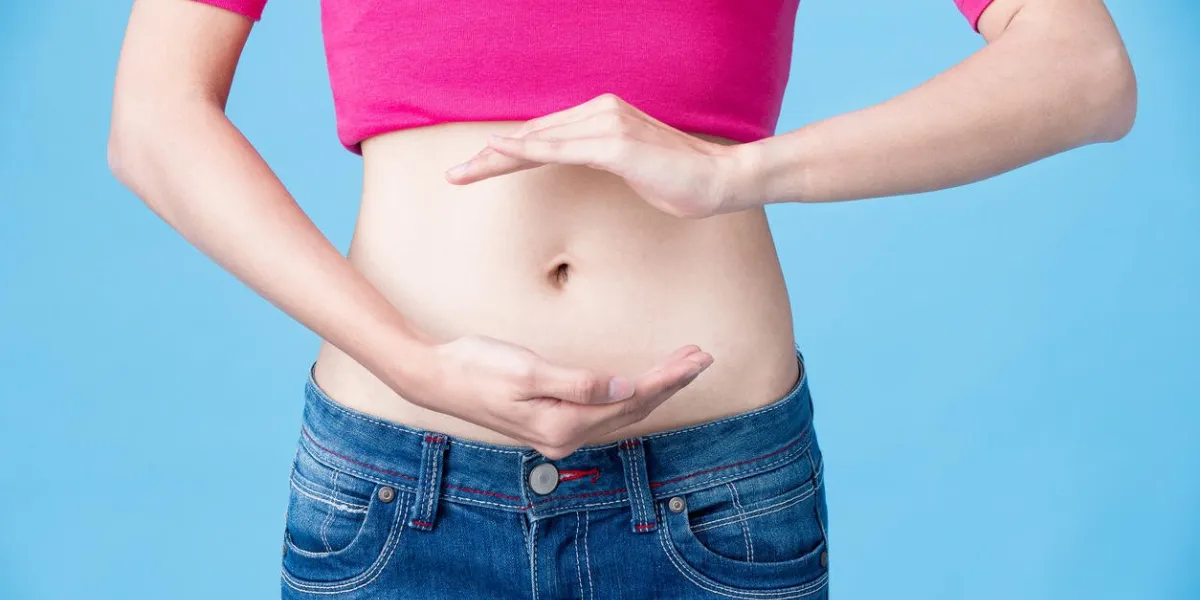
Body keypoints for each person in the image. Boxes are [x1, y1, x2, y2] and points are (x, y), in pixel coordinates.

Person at [107, 0, 1135, 597]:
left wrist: (744, 174)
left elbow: (1084, 69)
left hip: (712, 496)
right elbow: (153, 121)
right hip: (393, 491)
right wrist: (409, 358)